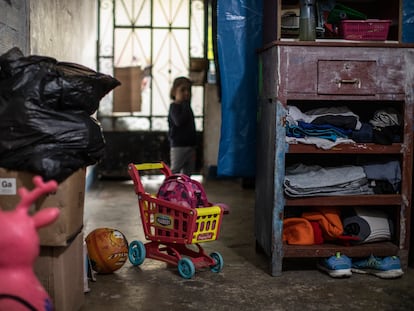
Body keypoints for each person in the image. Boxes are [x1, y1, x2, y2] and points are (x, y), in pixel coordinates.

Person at [168, 76, 196, 176]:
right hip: (179, 146)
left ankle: (183, 191)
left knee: (188, 174)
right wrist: (185, 105)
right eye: (182, 90)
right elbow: (179, 121)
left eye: (188, 90)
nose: (186, 93)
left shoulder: (187, 107)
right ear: (174, 92)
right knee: (175, 171)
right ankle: (168, 190)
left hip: (190, 146)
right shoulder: (174, 107)